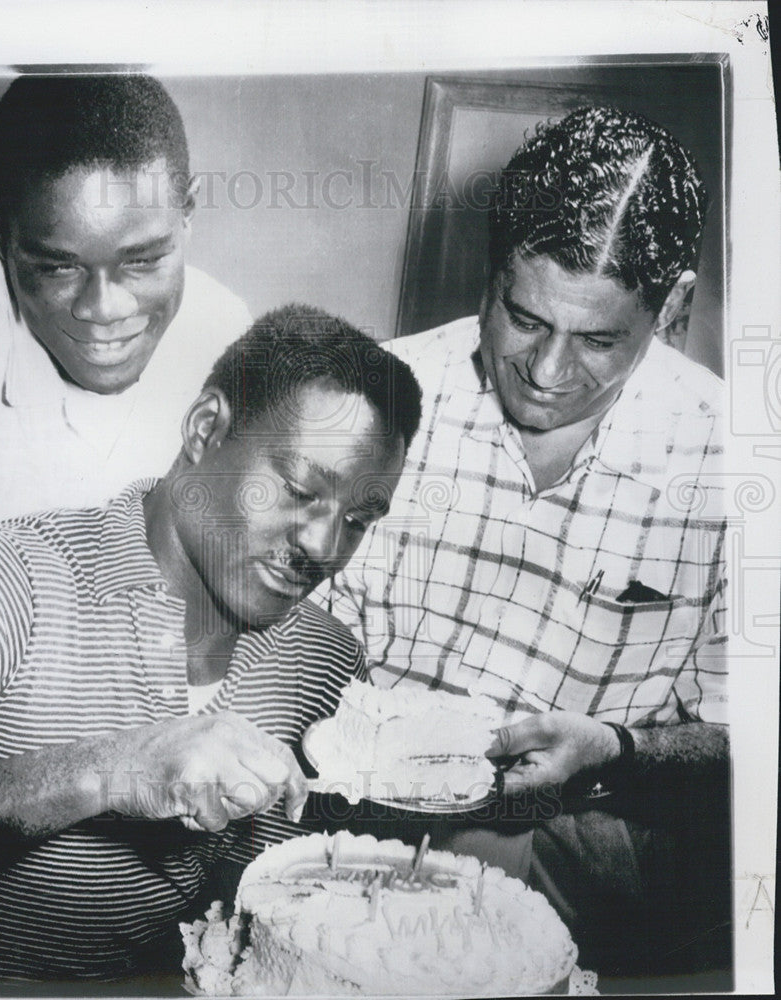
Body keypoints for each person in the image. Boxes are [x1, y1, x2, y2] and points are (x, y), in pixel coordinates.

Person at [321, 107, 729, 977]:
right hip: (349, 825)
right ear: (489, 270)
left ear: (674, 306)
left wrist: (614, 751)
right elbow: (279, 641)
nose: (545, 373)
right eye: (522, 318)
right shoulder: (379, 399)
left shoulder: (735, 463)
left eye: (596, 340)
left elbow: (748, 743)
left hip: (587, 844)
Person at [0, 304, 422, 982]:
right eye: (300, 490)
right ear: (206, 428)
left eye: (358, 520)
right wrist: (107, 770)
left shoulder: (323, 664)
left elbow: (251, 930)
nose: (324, 547)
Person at [0, 73, 252, 538]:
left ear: (187, 212)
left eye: (144, 260)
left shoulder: (226, 332)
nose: (105, 308)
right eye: (58, 268)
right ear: (3, 235)